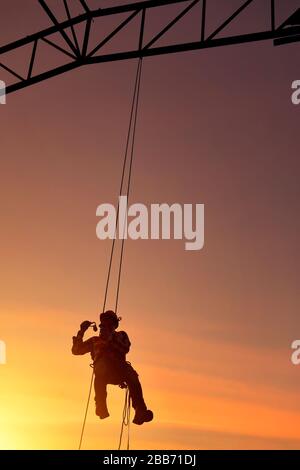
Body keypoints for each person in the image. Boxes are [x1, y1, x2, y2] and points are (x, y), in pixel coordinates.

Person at [72, 310, 153, 425]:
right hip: (103, 371)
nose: (103, 327)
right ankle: (101, 406)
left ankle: (140, 410)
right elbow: (76, 350)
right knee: (101, 365)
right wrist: (81, 331)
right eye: (102, 325)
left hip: (119, 370)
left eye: (108, 325)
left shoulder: (121, 335)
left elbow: (125, 348)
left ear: (114, 326)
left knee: (132, 376)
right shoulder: (94, 341)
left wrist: (109, 338)